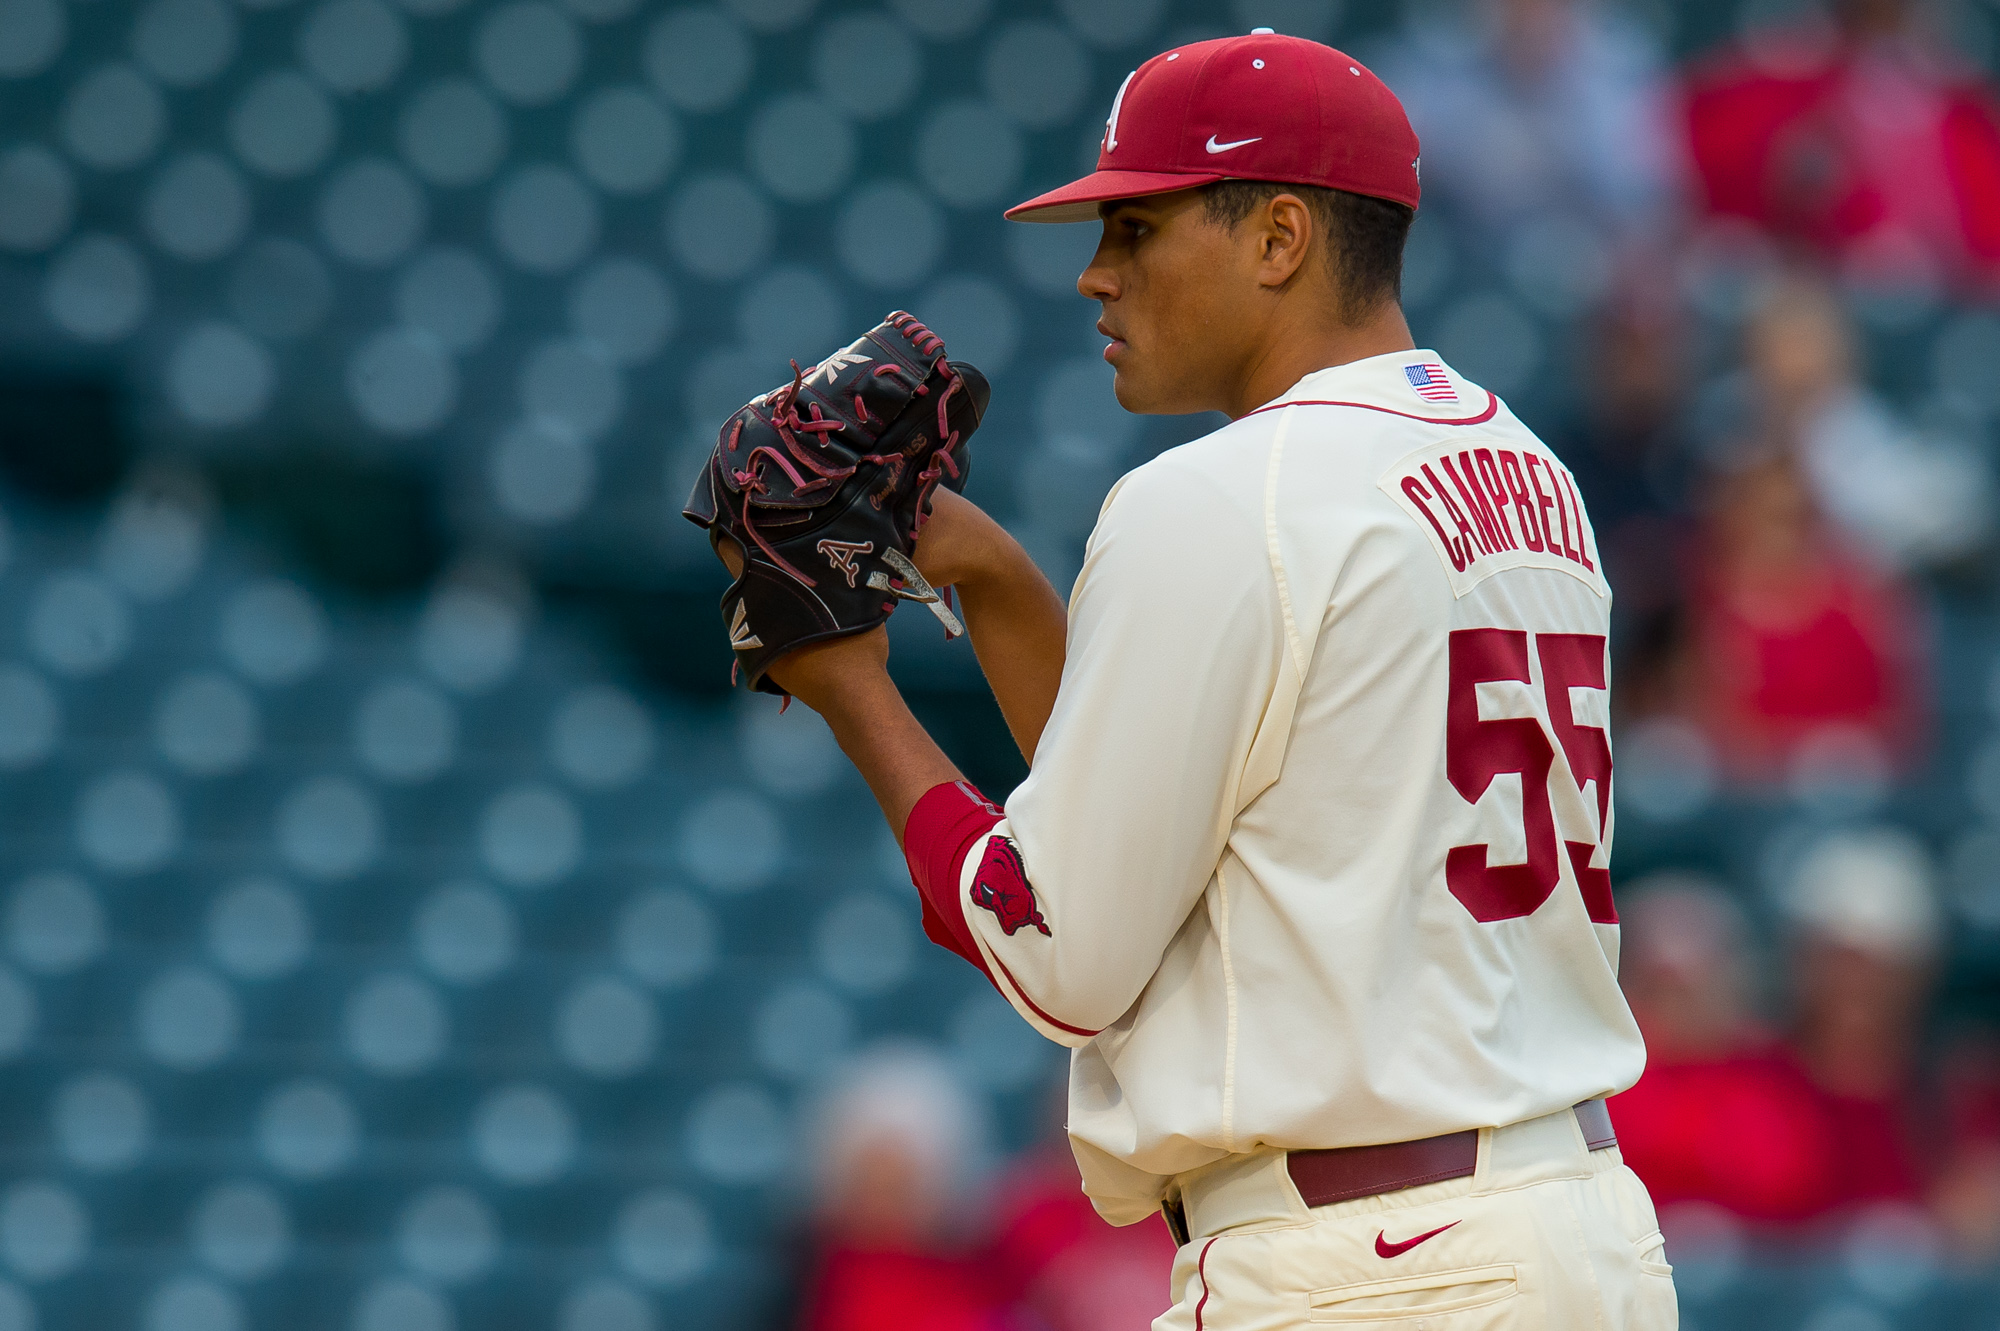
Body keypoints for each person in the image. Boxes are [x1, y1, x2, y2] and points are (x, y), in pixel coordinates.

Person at [727, 32, 1673, 1329]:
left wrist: (847, 688)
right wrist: (996, 578)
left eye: (1137, 229)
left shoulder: (1224, 496)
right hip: (1577, 1232)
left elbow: (1053, 949)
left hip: (1370, 1264)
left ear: (1279, 237)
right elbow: (1188, 818)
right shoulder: (1533, 471)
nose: (1094, 276)